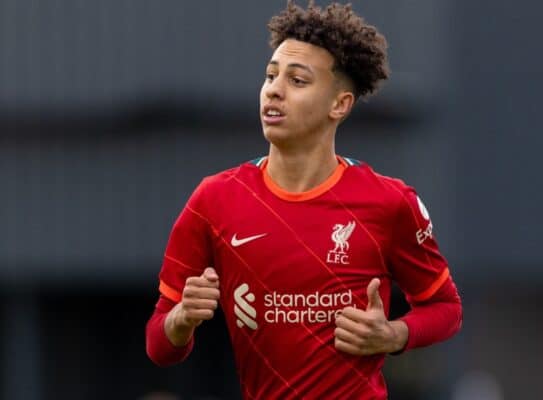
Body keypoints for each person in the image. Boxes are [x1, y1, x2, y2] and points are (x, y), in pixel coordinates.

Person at [146, 1, 462, 398]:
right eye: (270, 76)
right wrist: (181, 319)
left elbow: (446, 309)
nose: (274, 90)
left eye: (297, 80)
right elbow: (159, 346)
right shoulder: (215, 199)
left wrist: (393, 335)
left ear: (339, 104)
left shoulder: (390, 202)